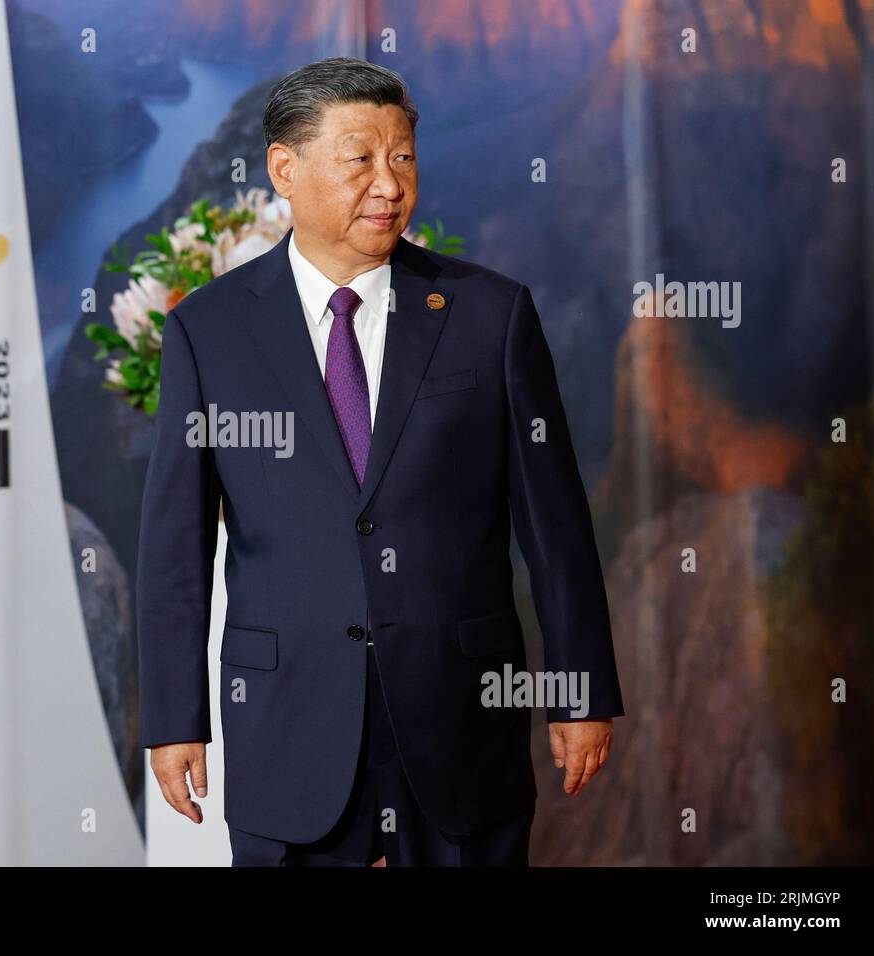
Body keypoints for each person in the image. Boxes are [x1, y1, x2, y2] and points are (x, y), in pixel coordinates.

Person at [136, 56, 623, 866]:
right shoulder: (208, 331)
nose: (390, 184)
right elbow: (175, 549)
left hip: (461, 720)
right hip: (288, 725)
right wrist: (175, 719)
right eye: (360, 158)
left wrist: (581, 690)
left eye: (403, 157)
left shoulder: (489, 315)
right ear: (284, 171)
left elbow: (557, 528)